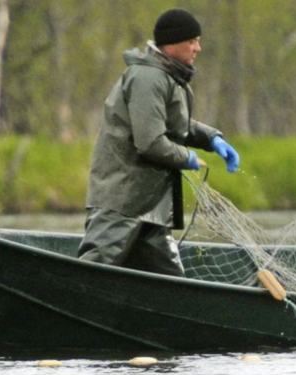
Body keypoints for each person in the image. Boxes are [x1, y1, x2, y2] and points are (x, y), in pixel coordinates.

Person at [77, 9, 240, 277]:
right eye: (192, 41)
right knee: (93, 272)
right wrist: (185, 157)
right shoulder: (147, 78)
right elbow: (150, 141)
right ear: (172, 43)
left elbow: (178, 125)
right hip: (123, 201)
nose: (198, 48)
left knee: (171, 283)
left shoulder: (169, 77)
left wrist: (213, 139)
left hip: (150, 207)